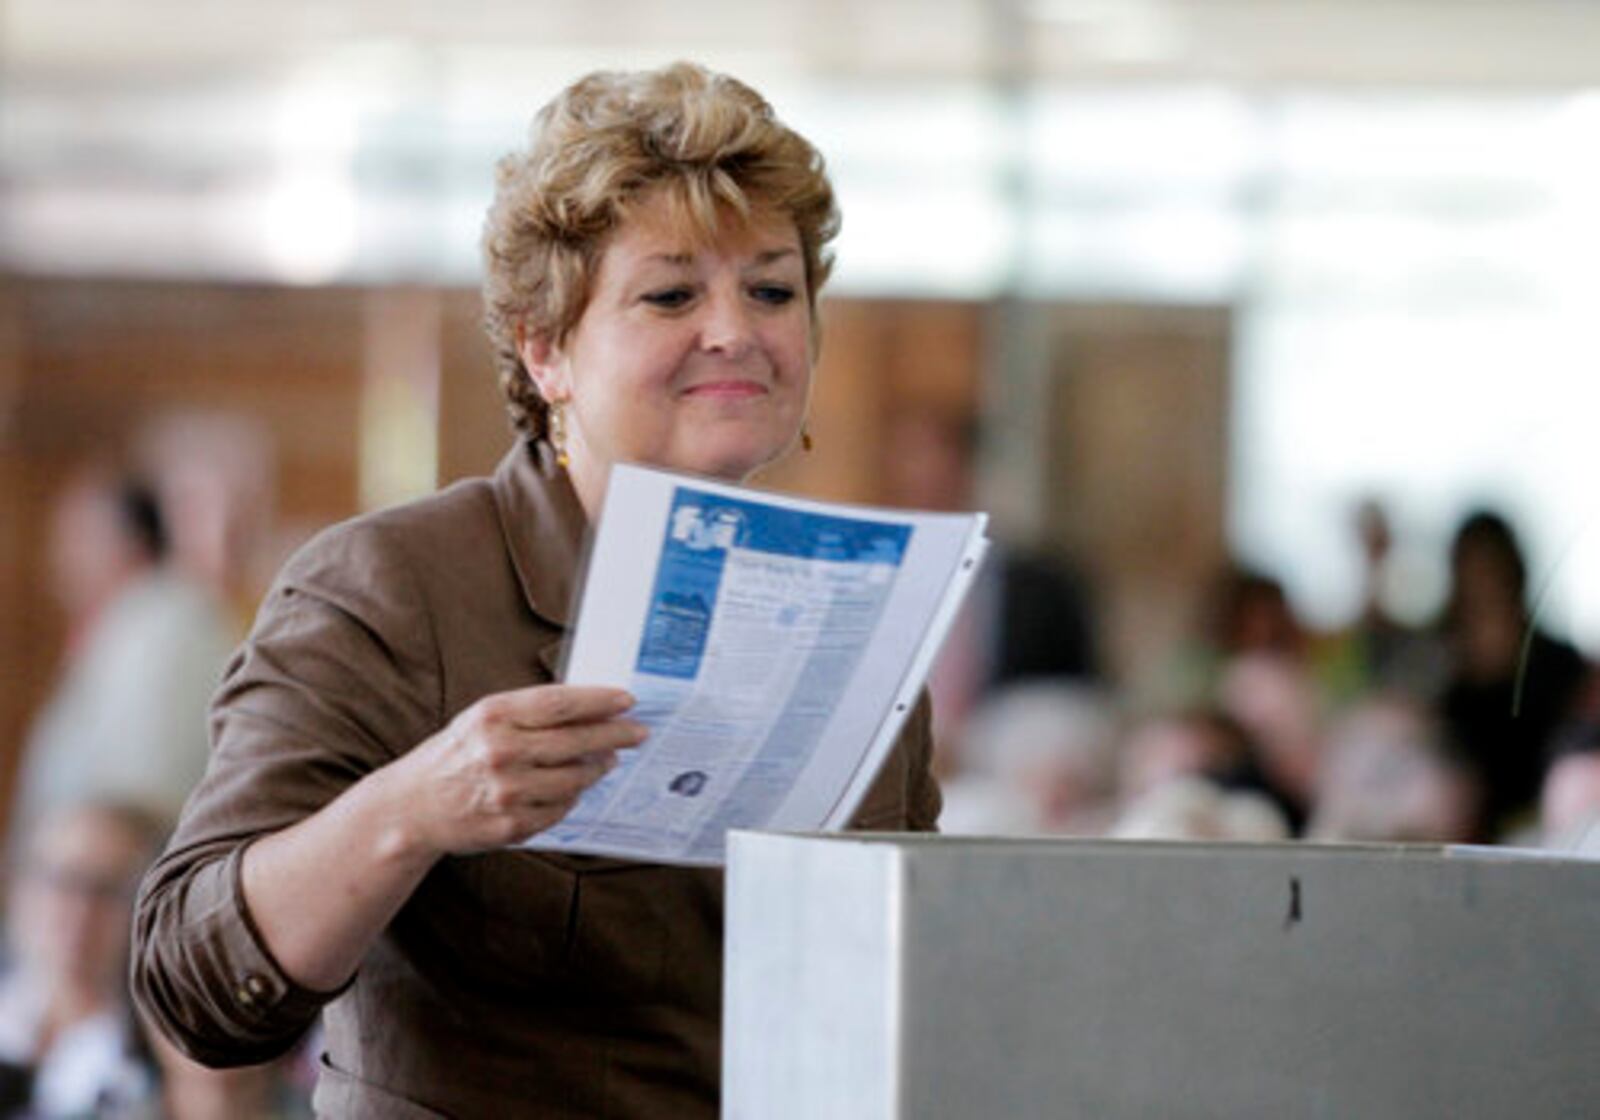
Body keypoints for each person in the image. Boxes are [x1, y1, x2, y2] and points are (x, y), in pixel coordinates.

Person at [132, 62, 939, 1117]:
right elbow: (193, 983)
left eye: (773, 289)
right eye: (670, 293)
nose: (736, 329)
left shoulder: (866, 617)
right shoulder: (391, 585)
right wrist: (412, 809)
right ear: (545, 348)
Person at [10, 468, 236, 849]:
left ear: (128, 543)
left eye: (76, 538)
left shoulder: (167, 628)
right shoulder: (127, 622)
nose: (60, 557)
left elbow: (141, 797)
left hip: (109, 890)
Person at [0, 800, 166, 1116]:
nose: (80, 913)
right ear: (17, 887)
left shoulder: (165, 1058)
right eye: (61, 880)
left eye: (109, 891)